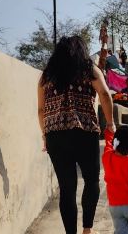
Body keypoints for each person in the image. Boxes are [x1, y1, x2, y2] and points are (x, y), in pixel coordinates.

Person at [37, 36, 115, 234]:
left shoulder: (47, 76)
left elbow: (41, 110)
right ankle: (87, 229)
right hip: (84, 132)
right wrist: (110, 123)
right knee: (91, 180)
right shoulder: (89, 68)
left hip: (55, 135)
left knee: (67, 187)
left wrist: (45, 134)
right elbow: (105, 95)